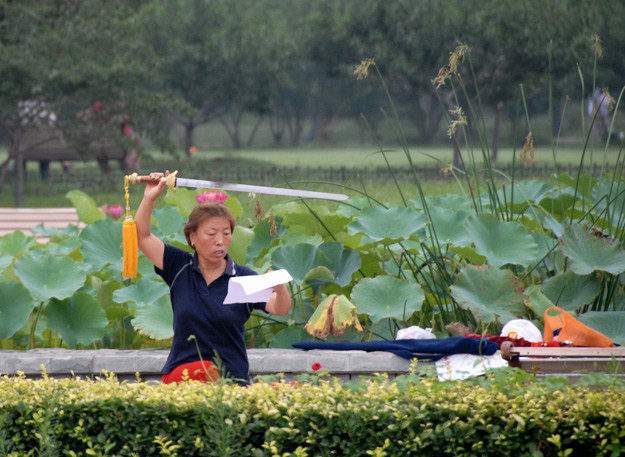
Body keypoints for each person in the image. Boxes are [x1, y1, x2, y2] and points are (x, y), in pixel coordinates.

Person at [135, 171, 292, 385]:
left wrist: (281, 290)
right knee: (204, 369)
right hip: (183, 378)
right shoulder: (178, 266)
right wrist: (149, 197)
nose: (220, 241)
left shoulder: (243, 277)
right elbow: (142, 236)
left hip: (232, 381)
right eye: (211, 234)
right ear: (192, 237)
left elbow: (279, 308)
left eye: (226, 233)